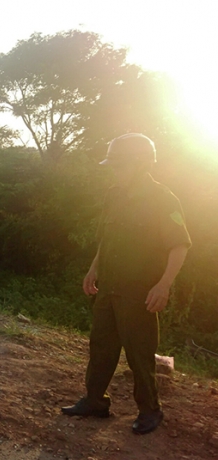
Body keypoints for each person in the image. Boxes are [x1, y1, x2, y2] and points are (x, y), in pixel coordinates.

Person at [61, 133, 191, 435]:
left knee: (139, 353)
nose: (114, 170)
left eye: (119, 164)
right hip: (108, 288)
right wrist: (93, 269)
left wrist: (164, 284)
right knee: (101, 347)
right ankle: (95, 401)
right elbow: (106, 240)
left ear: (140, 163)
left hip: (139, 292)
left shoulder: (163, 199)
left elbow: (179, 246)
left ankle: (150, 411)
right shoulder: (114, 195)